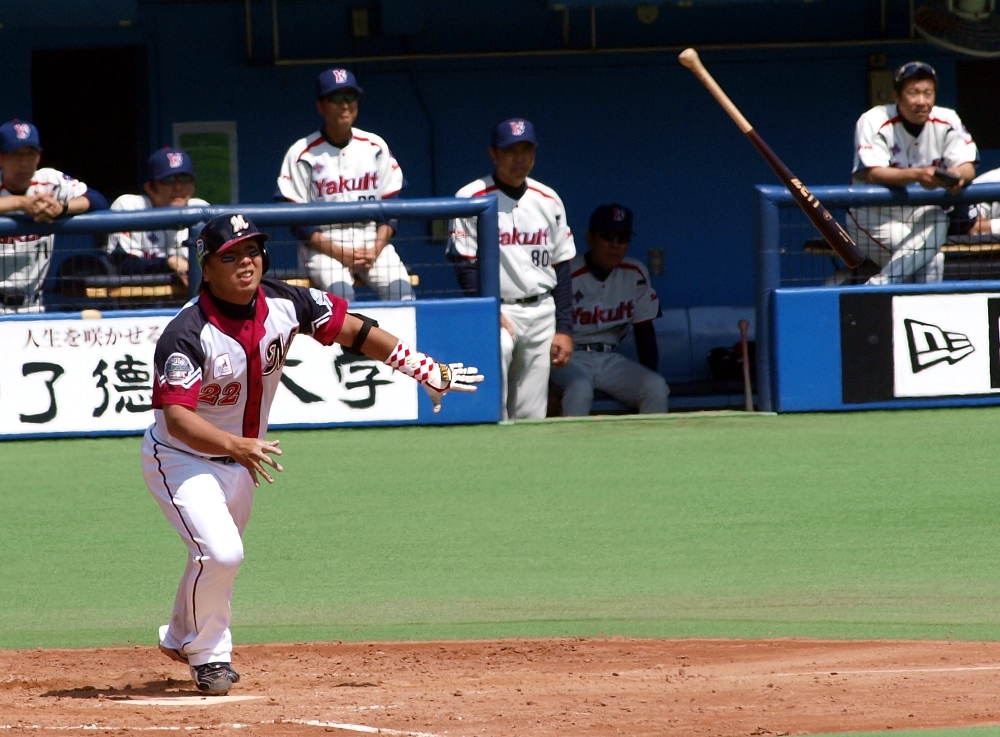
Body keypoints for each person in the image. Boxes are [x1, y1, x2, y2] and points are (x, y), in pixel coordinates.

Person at [143, 213, 481, 695]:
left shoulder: (287, 301)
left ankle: (181, 636)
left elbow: (355, 330)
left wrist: (423, 367)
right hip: (181, 457)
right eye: (230, 256)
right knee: (221, 552)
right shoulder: (186, 333)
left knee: (214, 556)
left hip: (242, 457)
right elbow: (177, 418)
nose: (246, 262)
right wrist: (234, 444)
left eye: (253, 251)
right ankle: (209, 655)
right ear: (207, 267)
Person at [447, 118, 576, 420]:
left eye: (526, 150)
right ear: (494, 154)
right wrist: (488, 310)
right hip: (499, 310)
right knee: (496, 403)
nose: (520, 159)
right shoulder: (471, 197)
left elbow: (563, 268)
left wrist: (565, 328)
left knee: (532, 412)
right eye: (511, 151)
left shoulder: (549, 199)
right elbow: (465, 265)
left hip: (542, 309)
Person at [277, 68, 414, 302]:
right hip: (323, 248)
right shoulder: (301, 152)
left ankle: (396, 341)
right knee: (342, 299)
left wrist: (375, 248)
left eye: (350, 97)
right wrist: (342, 253)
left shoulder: (374, 145)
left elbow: (393, 206)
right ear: (320, 106)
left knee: (402, 293)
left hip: (373, 242)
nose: (345, 105)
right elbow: (298, 222)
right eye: (336, 98)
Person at [847, 61, 978, 284]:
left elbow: (969, 166)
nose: (921, 101)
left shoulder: (947, 119)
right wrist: (919, 174)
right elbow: (875, 173)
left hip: (919, 215)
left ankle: (879, 285)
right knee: (931, 260)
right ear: (896, 97)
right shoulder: (874, 120)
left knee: (938, 219)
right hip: (874, 216)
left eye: (928, 93)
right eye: (913, 93)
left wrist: (957, 176)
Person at [550, 205, 668, 416]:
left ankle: (652, 447)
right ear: (590, 238)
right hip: (567, 357)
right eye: (607, 236)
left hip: (607, 358)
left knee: (655, 386)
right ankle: (568, 448)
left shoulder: (635, 273)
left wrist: (645, 374)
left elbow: (645, 332)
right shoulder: (566, 272)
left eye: (622, 238)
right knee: (580, 389)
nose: (615, 244)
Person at [0, 119, 107, 311]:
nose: (24, 162)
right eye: (16, 154)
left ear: (39, 157)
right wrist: (20, 203)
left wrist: (61, 207)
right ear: (1, 157)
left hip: (32, 306)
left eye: (30, 154)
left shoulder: (49, 181)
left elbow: (97, 200)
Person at [107, 147, 208, 288]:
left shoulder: (201, 210)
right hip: (138, 301)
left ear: (193, 186)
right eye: (168, 180)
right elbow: (123, 264)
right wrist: (169, 263)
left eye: (184, 179)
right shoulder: (129, 206)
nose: (178, 187)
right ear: (149, 188)